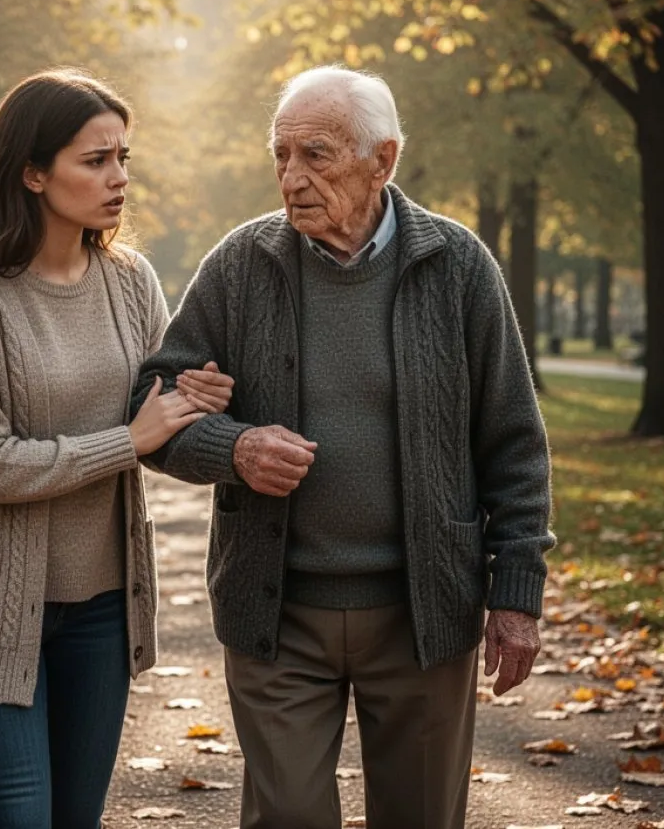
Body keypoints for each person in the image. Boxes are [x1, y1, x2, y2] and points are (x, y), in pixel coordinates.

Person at [133, 65, 554, 829]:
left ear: (382, 161)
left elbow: (514, 440)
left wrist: (517, 592)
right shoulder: (241, 264)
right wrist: (235, 448)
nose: (292, 177)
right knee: (287, 816)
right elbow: (153, 408)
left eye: (316, 154)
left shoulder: (458, 267)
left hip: (424, 611)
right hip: (278, 610)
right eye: (282, 155)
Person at [0, 69, 235, 828]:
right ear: (31, 171)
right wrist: (128, 439)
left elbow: (153, 426)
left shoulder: (130, 281)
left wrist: (196, 403)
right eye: (95, 160)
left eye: (124, 158)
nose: (118, 179)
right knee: (20, 817)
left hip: (100, 609)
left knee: (76, 820)